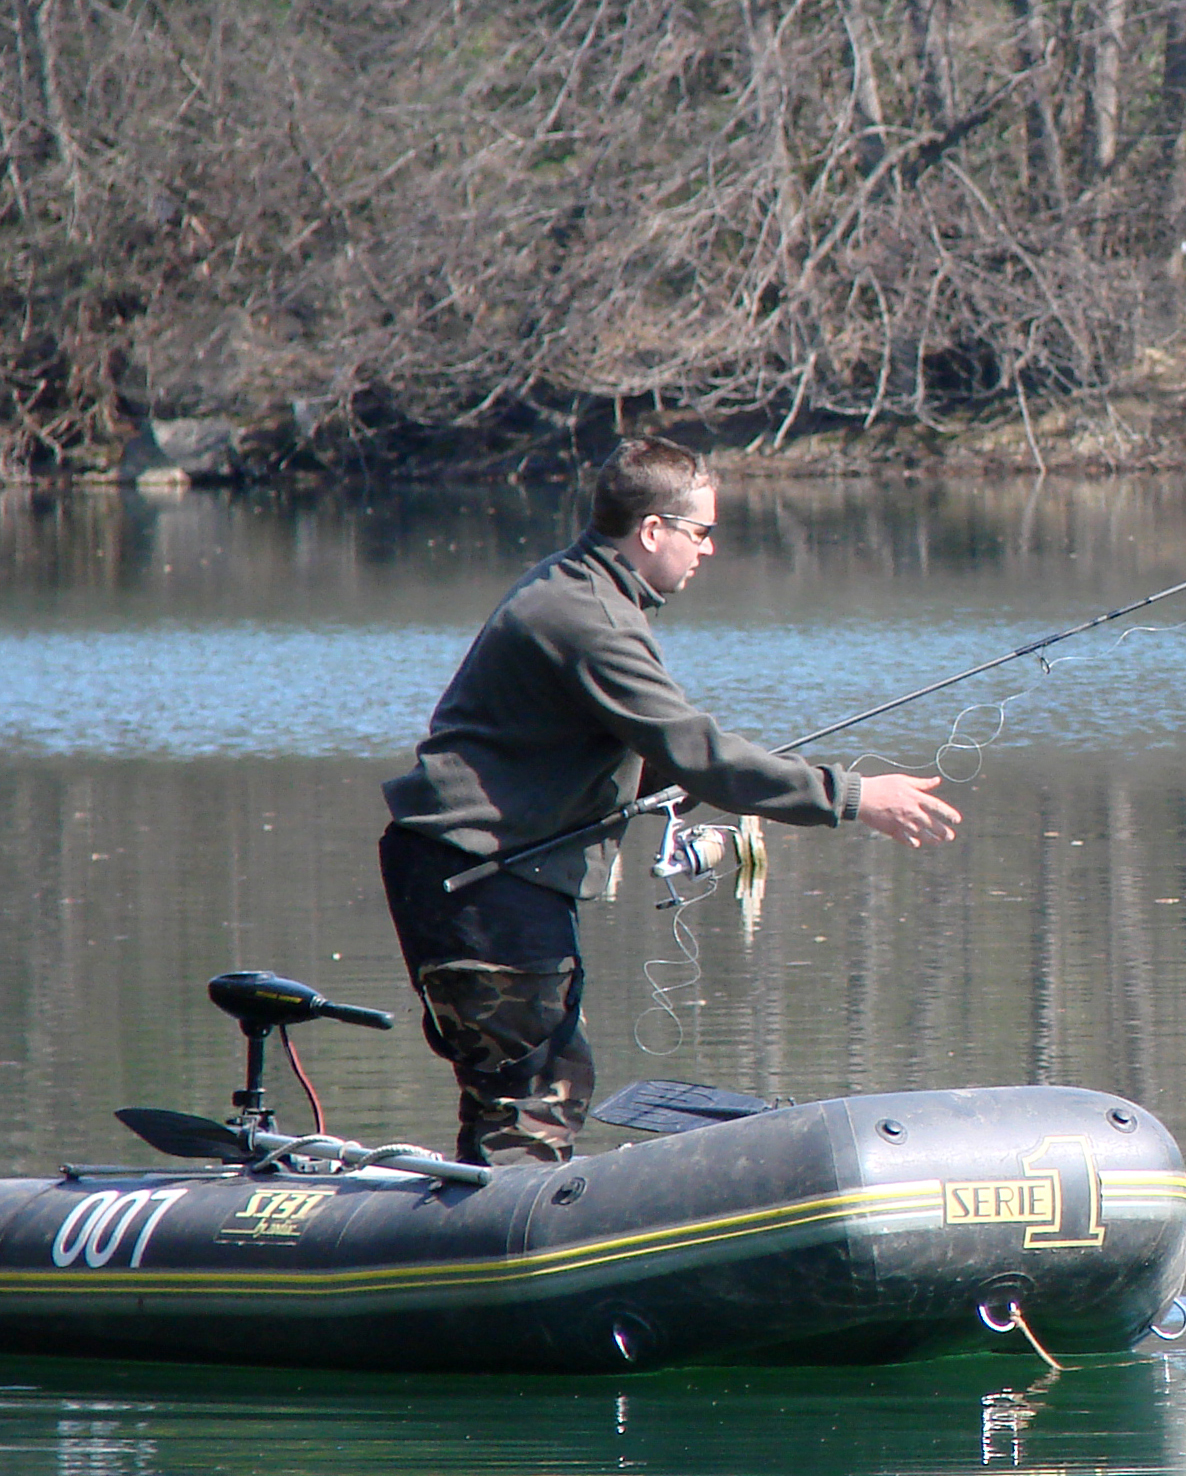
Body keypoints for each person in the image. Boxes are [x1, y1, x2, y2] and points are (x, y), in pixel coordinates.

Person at [380, 438, 961, 1164]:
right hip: (479, 881)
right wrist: (852, 796)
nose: (708, 549)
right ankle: (506, 1260)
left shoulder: (583, 592)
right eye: (700, 531)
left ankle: (480, 1243)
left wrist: (674, 779)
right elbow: (695, 748)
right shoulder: (589, 617)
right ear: (652, 530)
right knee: (536, 1089)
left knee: (532, 1079)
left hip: (474, 875)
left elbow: (631, 751)